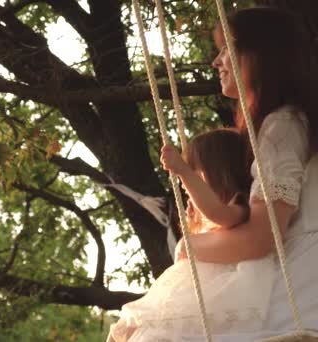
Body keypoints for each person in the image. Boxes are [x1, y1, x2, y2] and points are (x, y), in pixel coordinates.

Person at [111, 6, 318, 341]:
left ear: (260, 55)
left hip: (302, 277)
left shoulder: (282, 125)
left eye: (227, 49)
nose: (216, 61)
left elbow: (263, 237)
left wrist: (190, 247)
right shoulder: (297, 121)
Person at [107, 128, 272, 341]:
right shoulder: (206, 222)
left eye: (196, 172)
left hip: (217, 292)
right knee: (129, 329)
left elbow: (217, 212)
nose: (187, 185)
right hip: (189, 291)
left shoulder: (237, 205)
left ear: (219, 171)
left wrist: (183, 172)